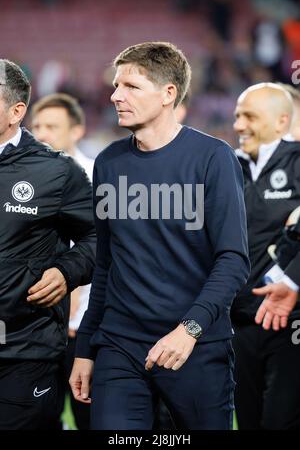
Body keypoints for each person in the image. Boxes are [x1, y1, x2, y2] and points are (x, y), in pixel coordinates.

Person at [69, 41, 250, 430]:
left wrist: (190, 330)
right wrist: (86, 348)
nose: (116, 96)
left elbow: (233, 260)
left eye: (131, 87)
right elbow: (106, 262)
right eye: (116, 86)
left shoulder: (213, 158)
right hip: (119, 346)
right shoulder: (109, 162)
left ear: (169, 93)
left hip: (194, 346)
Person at [0, 59, 96, 430]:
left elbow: (100, 237)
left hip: (24, 351)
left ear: (16, 111)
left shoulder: (56, 171)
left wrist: (66, 270)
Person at [231, 82, 300, 430]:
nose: (239, 125)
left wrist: (291, 278)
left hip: (291, 321)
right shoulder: (227, 166)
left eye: (249, 116)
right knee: (248, 420)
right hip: (240, 320)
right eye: (237, 116)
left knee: (280, 420)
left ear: (281, 121)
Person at [30, 93, 94, 429]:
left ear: (77, 130)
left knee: (90, 417)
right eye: (36, 126)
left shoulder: (99, 178)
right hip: (34, 329)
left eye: (52, 126)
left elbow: (103, 252)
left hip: (83, 329)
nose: (41, 134)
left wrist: (79, 308)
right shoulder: (19, 181)